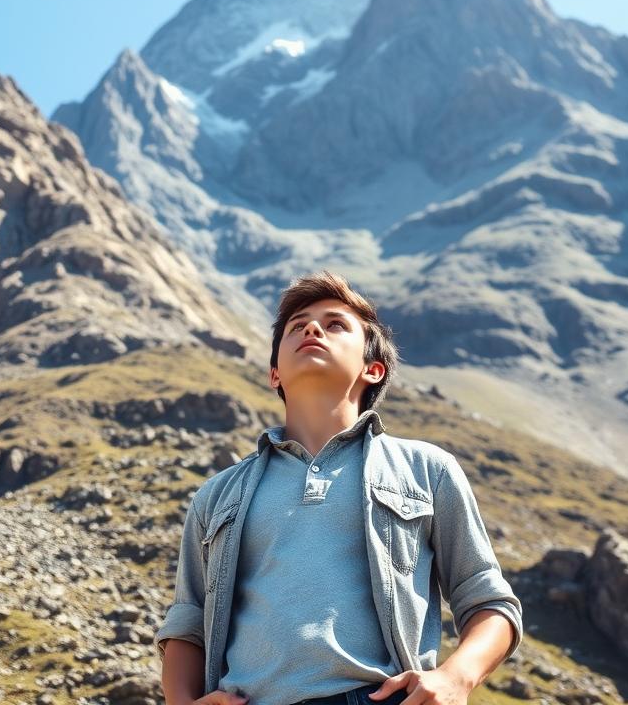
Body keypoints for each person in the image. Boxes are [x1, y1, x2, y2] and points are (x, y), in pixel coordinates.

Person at [157, 271, 523, 705]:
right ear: (275, 374)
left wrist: (456, 678)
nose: (312, 329)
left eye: (335, 324)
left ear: (373, 369)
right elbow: (189, 622)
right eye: (297, 326)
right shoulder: (218, 495)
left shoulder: (428, 470)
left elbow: (488, 599)